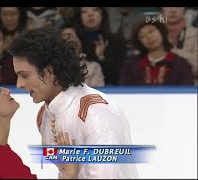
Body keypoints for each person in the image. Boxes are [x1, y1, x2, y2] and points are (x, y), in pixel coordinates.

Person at [10, 28, 139, 179]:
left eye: (24, 75)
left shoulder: (95, 112)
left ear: (49, 72)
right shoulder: (44, 115)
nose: (19, 84)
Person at [119, 17, 194, 85]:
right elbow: (123, 93)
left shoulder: (181, 65)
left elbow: (187, 96)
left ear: (161, 31)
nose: (149, 37)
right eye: (142, 36)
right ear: (139, 42)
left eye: (151, 31)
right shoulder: (131, 64)